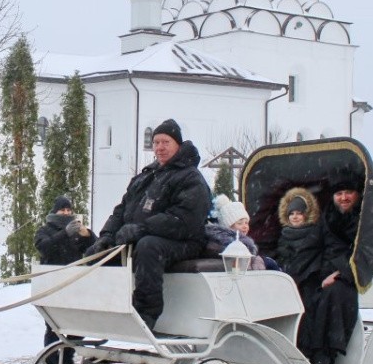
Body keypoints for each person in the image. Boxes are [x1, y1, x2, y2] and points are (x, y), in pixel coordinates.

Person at [84, 118, 210, 330]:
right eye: (156, 142)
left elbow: (184, 220)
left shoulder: (191, 178)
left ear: (178, 144)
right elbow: (121, 210)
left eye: (166, 142)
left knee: (148, 247)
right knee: (98, 252)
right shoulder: (145, 176)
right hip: (141, 236)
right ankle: (90, 314)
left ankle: (145, 314)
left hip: (184, 242)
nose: (160, 147)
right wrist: (107, 236)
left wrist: (142, 229)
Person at [296, 175, 362, 364]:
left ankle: (324, 352)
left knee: (332, 293)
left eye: (348, 192)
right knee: (303, 288)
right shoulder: (328, 216)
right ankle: (302, 348)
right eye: (339, 193)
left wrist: (341, 273)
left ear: (357, 195)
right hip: (326, 269)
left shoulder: (365, 220)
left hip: (353, 272)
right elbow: (314, 244)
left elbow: (366, 252)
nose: (343, 197)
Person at [34, 194, 97, 349]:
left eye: (69, 210)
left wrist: (88, 236)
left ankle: (67, 356)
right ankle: (52, 359)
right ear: (55, 212)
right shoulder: (44, 230)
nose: (66, 213)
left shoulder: (77, 232)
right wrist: (65, 234)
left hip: (74, 285)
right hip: (52, 286)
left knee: (79, 325)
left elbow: (95, 249)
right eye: (62, 210)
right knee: (53, 327)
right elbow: (44, 248)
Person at [274, 187, 324, 288]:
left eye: (299, 213)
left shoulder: (316, 234)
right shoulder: (284, 236)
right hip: (288, 283)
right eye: (291, 213)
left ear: (306, 215)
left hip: (311, 283)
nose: (294, 217)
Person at [205, 194, 266, 269]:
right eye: (240, 223)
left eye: (246, 223)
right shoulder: (222, 244)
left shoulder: (245, 243)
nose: (245, 226)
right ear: (228, 226)